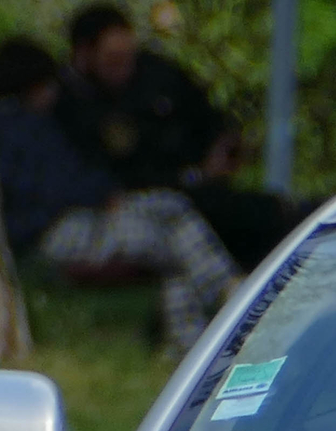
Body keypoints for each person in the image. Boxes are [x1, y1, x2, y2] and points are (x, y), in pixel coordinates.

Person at [0, 38, 239, 353]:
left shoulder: (33, 126)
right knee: (167, 240)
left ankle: (193, 341)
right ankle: (228, 297)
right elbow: (53, 188)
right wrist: (100, 194)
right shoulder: (16, 132)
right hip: (53, 232)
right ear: (35, 85)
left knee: (173, 210)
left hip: (79, 218)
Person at [55, 4, 295, 267]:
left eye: (128, 58)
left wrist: (222, 149)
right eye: (113, 60)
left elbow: (206, 115)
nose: (124, 69)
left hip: (202, 186)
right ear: (84, 54)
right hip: (146, 202)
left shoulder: (155, 72)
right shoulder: (69, 105)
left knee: (270, 214)